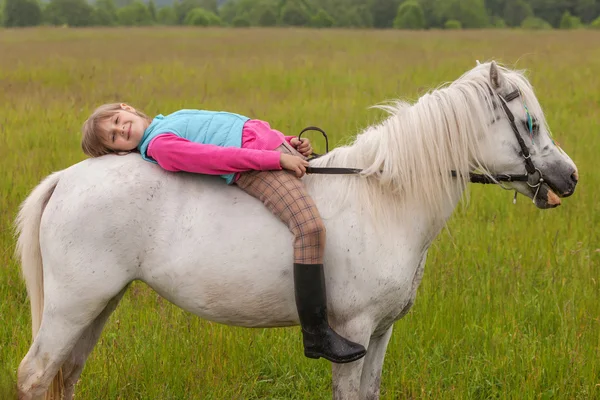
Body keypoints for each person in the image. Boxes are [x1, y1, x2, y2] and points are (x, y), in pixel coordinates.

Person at [81, 103, 367, 364]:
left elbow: (235, 130)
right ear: (119, 151)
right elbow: (216, 156)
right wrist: (276, 160)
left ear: (127, 108)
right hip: (255, 169)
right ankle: (317, 333)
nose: (121, 128)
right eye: (115, 137)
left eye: (118, 120)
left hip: (270, 152)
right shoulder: (160, 145)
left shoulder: (167, 121)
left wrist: (287, 142)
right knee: (310, 228)